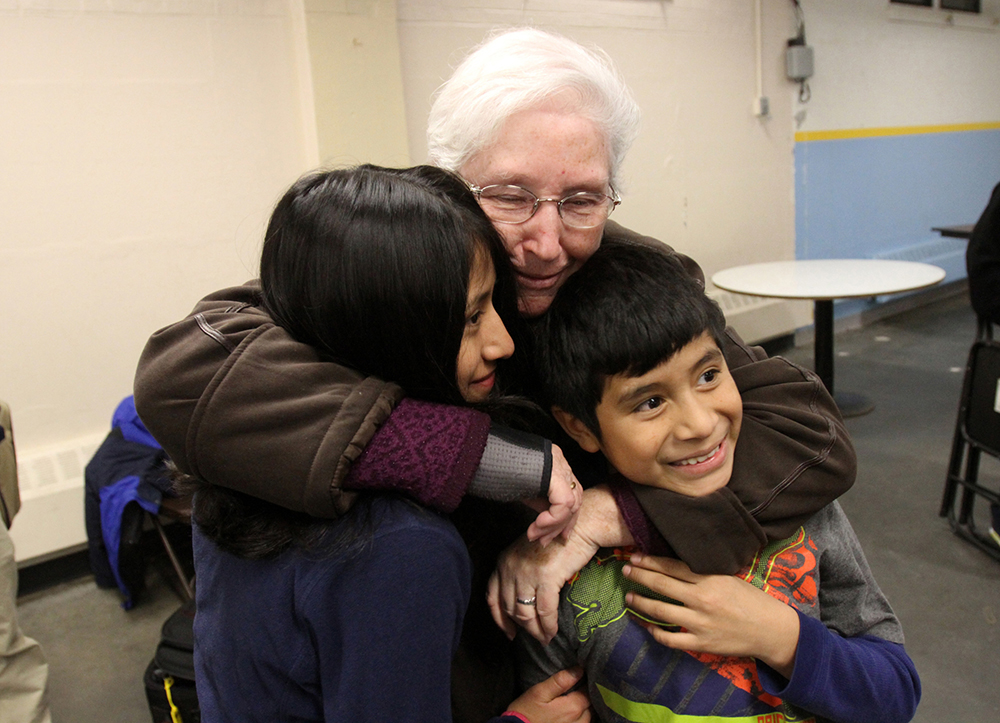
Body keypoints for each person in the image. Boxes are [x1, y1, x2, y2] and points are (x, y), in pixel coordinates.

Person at [133, 27, 856, 643]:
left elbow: (805, 433)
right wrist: (473, 452)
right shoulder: (406, 272)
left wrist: (606, 514)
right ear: (450, 186)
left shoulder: (636, 277)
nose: (546, 243)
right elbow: (186, 368)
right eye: (510, 195)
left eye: (581, 200)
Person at [188, 164, 589, 723]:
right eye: (471, 318)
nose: (502, 342)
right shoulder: (403, 547)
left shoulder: (238, 468)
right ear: (387, 331)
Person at [518, 241, 921, 723]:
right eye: (649, 402)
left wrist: (782, 638)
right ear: (580, 427)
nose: (701, 424)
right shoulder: (561, 574)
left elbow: (894, 696)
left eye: (709, 375)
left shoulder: (802, 510)